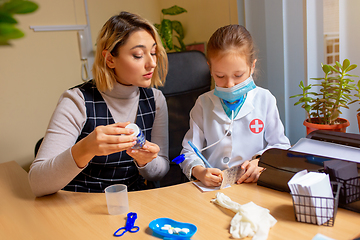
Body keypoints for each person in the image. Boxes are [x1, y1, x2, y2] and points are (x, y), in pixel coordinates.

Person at [28, 11, 170, 197]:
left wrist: (145, 161)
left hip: (130, 204)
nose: (152, 63)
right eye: (138, 55)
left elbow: (161, 171)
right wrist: (85, 149)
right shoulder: (77, 101)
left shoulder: (156, 99)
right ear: (110, 59)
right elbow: (37, 184)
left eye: (153, 52)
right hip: (78, 203)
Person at [179, 25, 291, 187]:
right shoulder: (203, 104)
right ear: (210, 69)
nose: (229, 84)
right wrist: (199, 171)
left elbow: (281, 146)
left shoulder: (264, 99)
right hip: (213, 189)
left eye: (238, 75)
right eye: (220, 76)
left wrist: (260, 162)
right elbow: (188, 152)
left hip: (253, 186)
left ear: (252, 67)